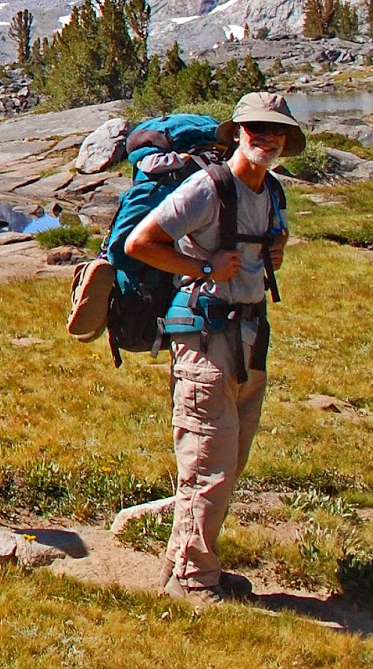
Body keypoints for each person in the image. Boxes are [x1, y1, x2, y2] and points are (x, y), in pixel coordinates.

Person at [124, 92, 299, 605]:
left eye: (275, 132)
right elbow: (141, 243)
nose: (265, 138)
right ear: (237, 133)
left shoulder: (273, 193)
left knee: (228, 458)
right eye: (255, 129)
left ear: (286, 141)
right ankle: (192, 581)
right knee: (207, 458)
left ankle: (191, 562)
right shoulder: (207, 187)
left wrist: (272, 255)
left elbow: (266, 258)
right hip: (204, 337)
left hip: (249, 336)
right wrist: (203, 268)